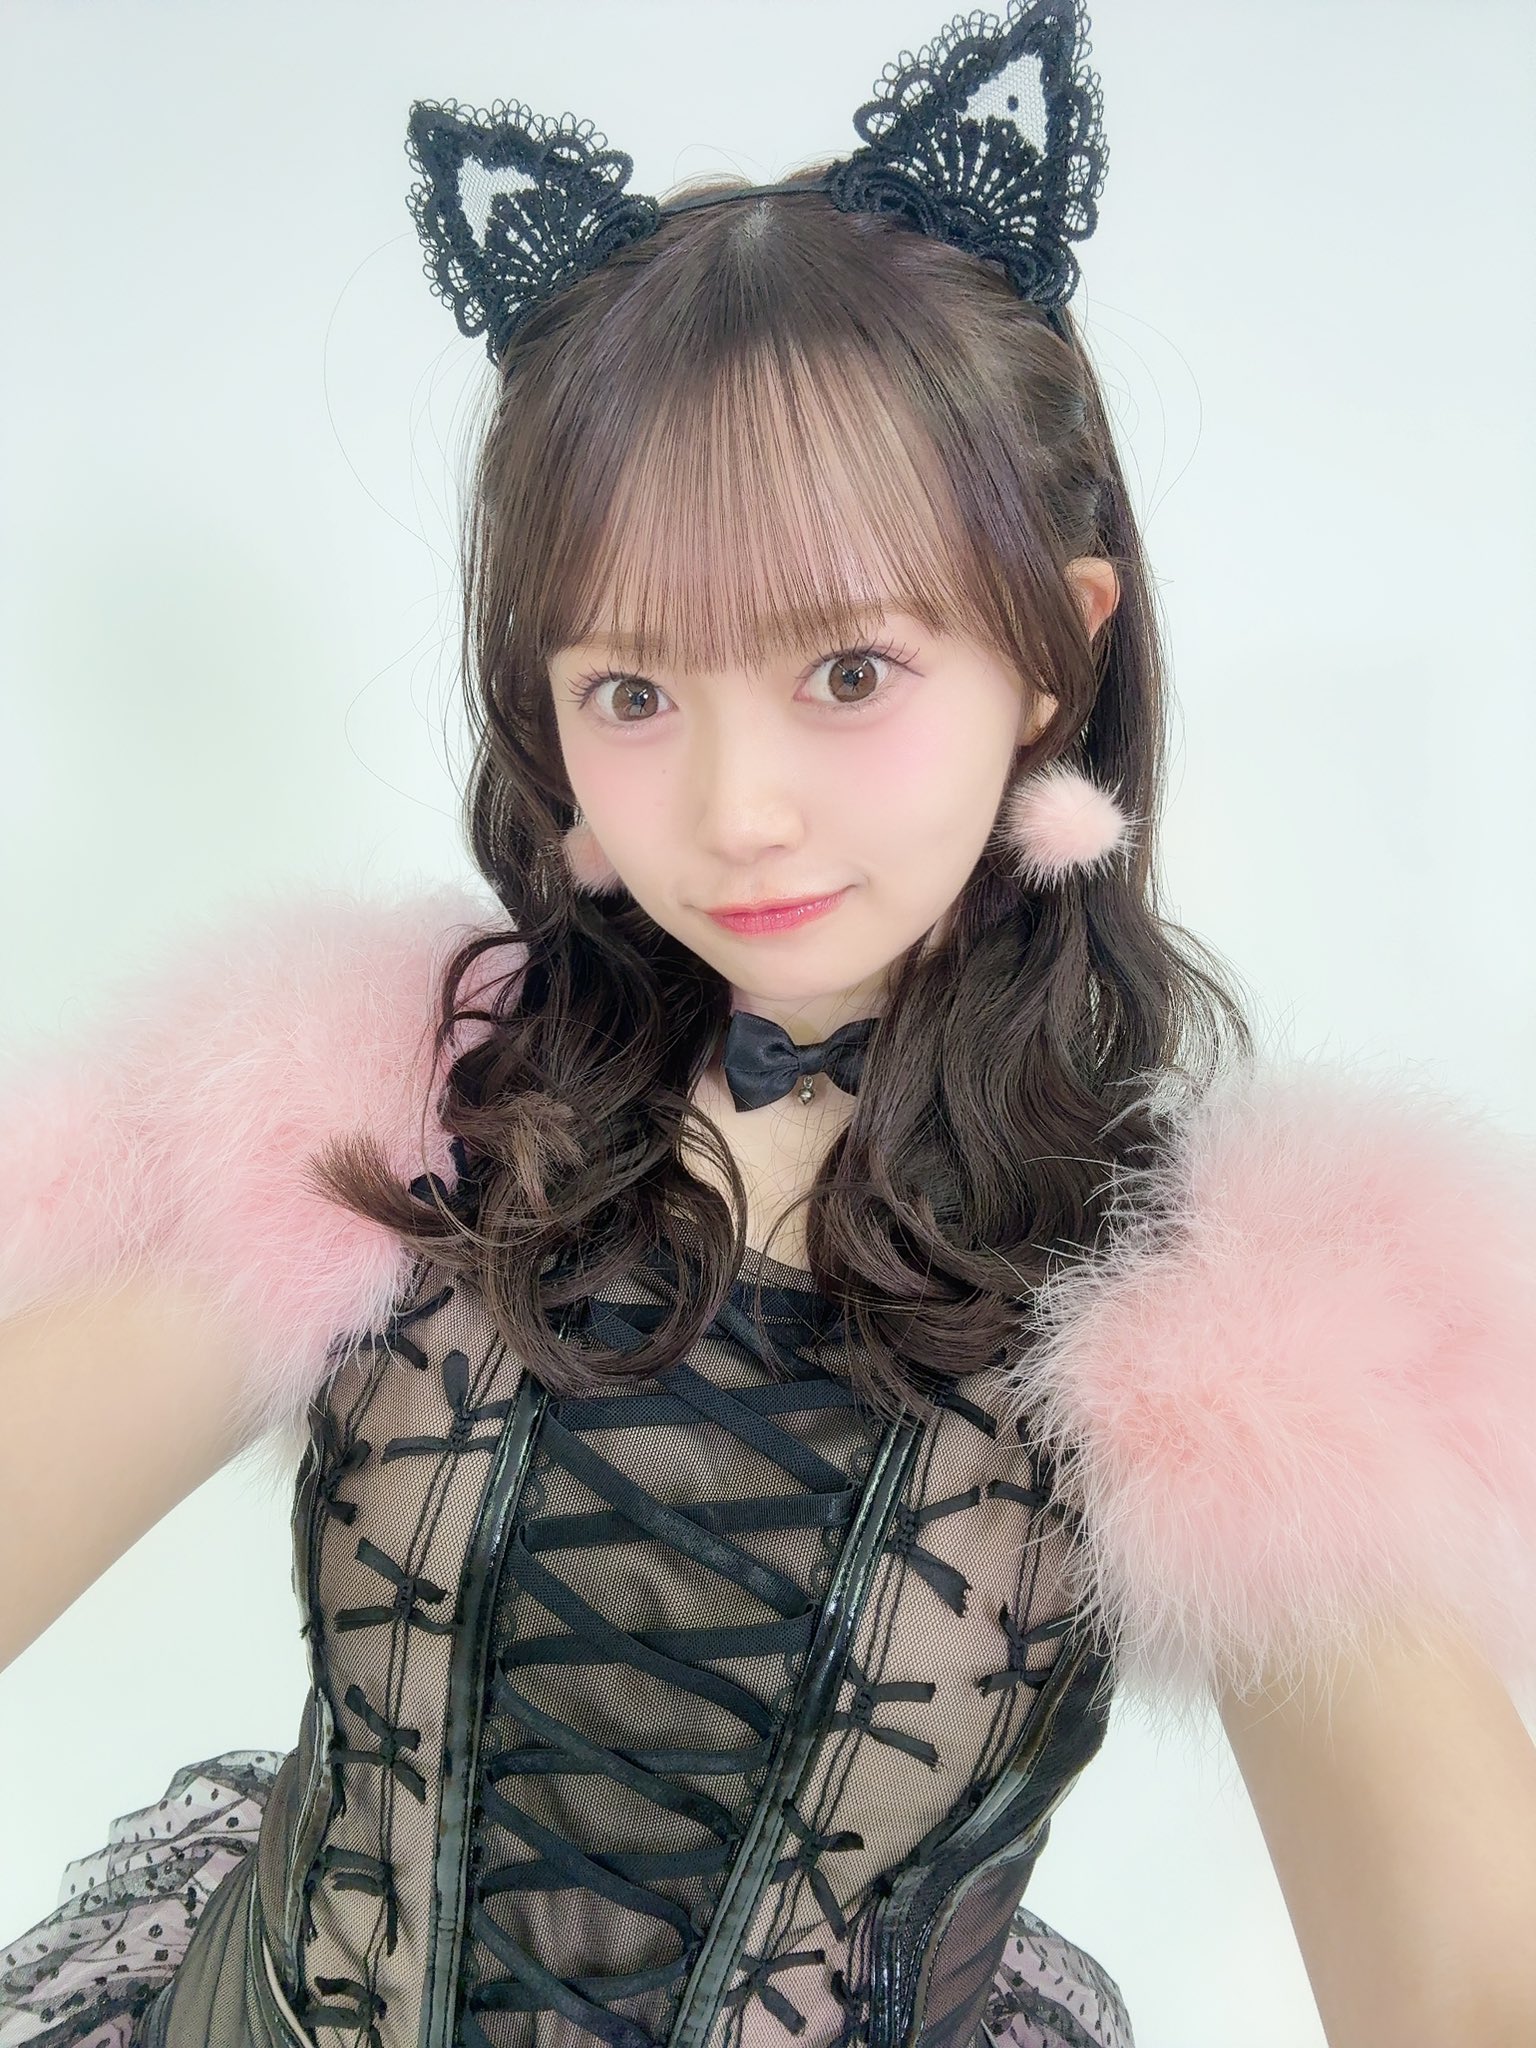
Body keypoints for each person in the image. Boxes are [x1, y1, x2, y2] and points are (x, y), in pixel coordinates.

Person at [4, 4, 1536, 2046]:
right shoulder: (395, 1116)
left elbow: (1470, 1980)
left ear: (1055, 649)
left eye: (847, 671)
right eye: (634, 691)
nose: (737, 810)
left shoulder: (1222, 1314)